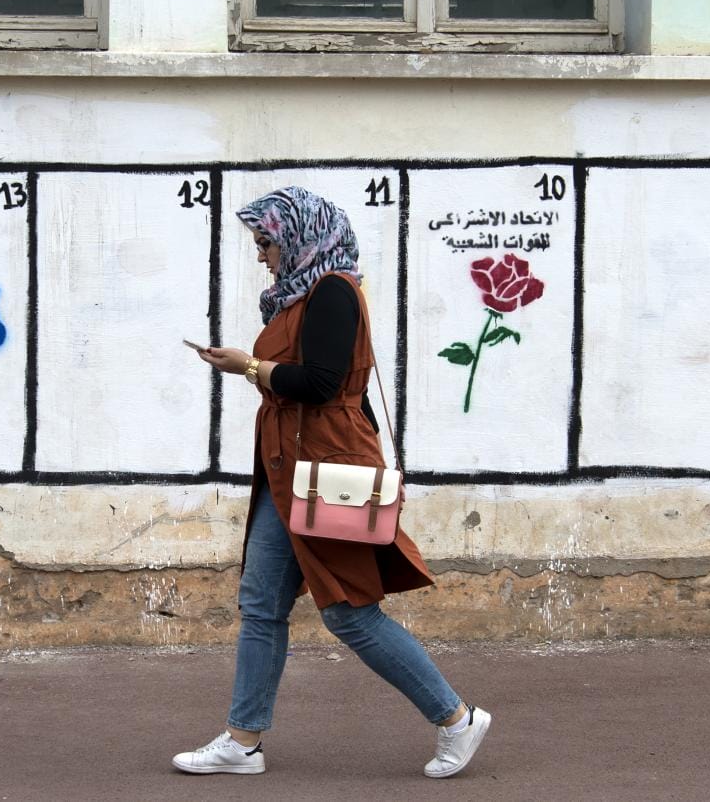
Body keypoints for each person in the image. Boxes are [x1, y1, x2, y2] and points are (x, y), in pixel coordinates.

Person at [174, 186, 491, 779]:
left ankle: (456, 719)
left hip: (324, 475)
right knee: (261, 605)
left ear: (298, 236)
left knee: (349, 612)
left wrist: (247, 365)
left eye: (265, 241)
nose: (261, 255)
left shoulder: (333, 292)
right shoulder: (297, 296)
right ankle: (242, 742)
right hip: (286, 470)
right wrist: (253, 369)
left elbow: (320, 384)